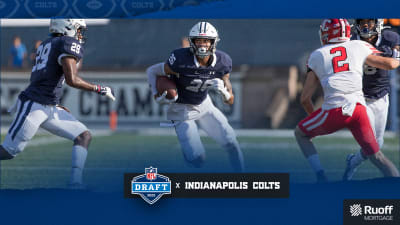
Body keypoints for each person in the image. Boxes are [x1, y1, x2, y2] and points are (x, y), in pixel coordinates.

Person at [0, 19, 115, 188]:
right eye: (78, 29)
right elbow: (72, 80)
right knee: (8, 151)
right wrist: (100, 88)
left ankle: (75, 183)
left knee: (83, 135)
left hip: (48, 105)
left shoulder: (48, 43)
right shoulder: (66, 42)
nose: (80, 34)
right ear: (67, 27)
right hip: (35, 105)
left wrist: (55, 103)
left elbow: (48, 79)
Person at [294, 19, 400, 182]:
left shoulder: (317, 55)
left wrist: (316, 121)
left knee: (300, 134)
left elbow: (305, 99)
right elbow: (390, 64)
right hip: (359, 110)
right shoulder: (359, 46)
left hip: (333, 110)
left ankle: (321, 176)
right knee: (377, 155)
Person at [146, 22, 244, 172]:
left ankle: (243, 182)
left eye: (206, 40)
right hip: (181, 110)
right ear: (192, 42)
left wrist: (224, 92)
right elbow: (152, 71)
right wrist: (155, 94)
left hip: (204, 104)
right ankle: (190, 157)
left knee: (231, 142)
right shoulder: (181, 59)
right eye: (198, 40)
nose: (202, 45)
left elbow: (230, 100)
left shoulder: (222, 62)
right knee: (198, 160)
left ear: (213, 42)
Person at [343, 19, 400, 181]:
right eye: (362, 23)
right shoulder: (351, 41)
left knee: (378, 142)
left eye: (370, 22)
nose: (366, 26)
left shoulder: (390, 38)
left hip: (381, 95)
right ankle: (391, 179)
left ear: (379, 23)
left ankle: (353, 161)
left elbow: (396, 61)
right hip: (359, 96)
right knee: (372, 145)